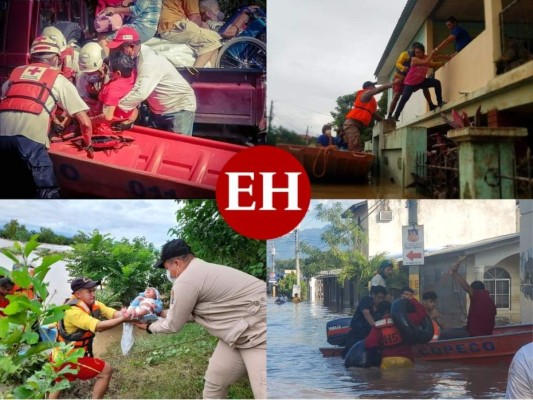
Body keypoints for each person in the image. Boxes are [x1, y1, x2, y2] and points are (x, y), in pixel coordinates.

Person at [134, 239, 266, 399]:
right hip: (238, 335)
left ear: (176, 263)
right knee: (214, 383)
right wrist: (160, 312)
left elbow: (173, 325)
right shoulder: (200, 270)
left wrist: (149, 327)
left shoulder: (186, 280)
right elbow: (189, 313)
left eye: (166, 268)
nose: (167, 272)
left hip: (260, 333)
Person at [0, 36, 92, 199]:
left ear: (31, 58)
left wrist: (53, 120)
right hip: (29, 143)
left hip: (2, 138)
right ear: (57, 58)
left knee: (11, 188)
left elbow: (17, 102)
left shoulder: (14, 75)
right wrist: (87, 143)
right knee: (47, 191)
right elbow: (85, 122)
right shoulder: (57, 78)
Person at [49, 277, 132, 399]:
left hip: (60, 356)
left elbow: (112, 313)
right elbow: (98, 327)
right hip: (68, 358)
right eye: (89, 291)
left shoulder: (94, 304)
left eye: (94, 290)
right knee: (106, 370)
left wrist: (124, 314)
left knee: (60, 383)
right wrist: (122, 320)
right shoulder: (72, 311)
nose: (93, 294)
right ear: (78, 294)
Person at [108, 27, 197, 135]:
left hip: (179, 107)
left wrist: (111, 109)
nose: (118, 52)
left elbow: (140, 93)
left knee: (179, 148)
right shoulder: (135, 57)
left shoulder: (148, 61)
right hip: (158, 109)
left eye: (120, 48)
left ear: (131, 47)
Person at [439, 259, 497, 339]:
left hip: (474, 335)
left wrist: (455, 272)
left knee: (443, 334)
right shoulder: (490, 302)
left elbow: (466, 287)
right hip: (485, 333)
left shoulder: (478, 296)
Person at [364, 297, 427, 369]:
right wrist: (412, 300)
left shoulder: (378, 326)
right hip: (406, 359)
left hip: (387, 362)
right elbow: (421, 314)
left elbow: (369, 344)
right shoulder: (405, 320)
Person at [158, 0, 223, 68]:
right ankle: (196, 72)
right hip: (174, 26)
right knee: (212, 40)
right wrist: (205, 27)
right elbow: (195, 18)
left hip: (169, 26)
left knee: (214, 40)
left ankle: (211, 72)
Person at [391, 42, 445, 121]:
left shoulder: (426, 57)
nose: (417, 54)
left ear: (423, 52)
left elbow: (432, 61)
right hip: (410, 83)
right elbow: (426, 62)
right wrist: (432, 54)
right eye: (416, 52)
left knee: (437, 82)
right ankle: (396, 116)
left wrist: (444, 61)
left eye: (419, 52)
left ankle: (440, 102)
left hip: (421, 81)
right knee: (404, 98)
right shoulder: (414, 59)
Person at [90, 51, 138, 134]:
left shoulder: (112, 90)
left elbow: (108, 117)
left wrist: (90, 121)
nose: (108, 69)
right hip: (127, 118)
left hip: (108, 128)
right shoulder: (132, 74)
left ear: (118, 73)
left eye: (110, 68)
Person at [343, 80, 394, 152]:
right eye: (373, 86)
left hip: (355, 125)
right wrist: (392, 84)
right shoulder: (365, 94)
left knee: (355, 145)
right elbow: (378, 90)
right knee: (355, 145)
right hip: (351, 124)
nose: (374, 87)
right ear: (368, 87)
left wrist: (385, 121)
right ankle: (356, 162)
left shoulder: (369, 102)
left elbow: (374, 115)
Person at [343, 285, 387, 357]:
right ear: (373, 295)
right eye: (379, 297)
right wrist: (376, 328)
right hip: (356, 334)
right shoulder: (366, 300)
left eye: (383, 298)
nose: (381, 300)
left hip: (369, 335)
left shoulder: (381, 307)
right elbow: (366, 313)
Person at [99, 0, 163, 47]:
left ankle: (107, 63)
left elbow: (136, 11)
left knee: (103, 38)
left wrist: (114, 10)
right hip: (146, 28)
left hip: (141, 27)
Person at [76, 42, 109, 116]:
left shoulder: (111, 77)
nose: (90, 75)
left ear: (102, 66)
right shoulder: (81, 77)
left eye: (92, 72)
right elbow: (82, 98)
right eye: (87, 73)